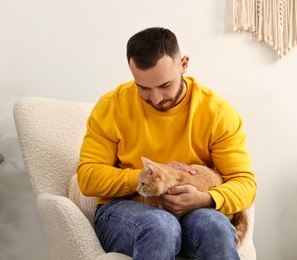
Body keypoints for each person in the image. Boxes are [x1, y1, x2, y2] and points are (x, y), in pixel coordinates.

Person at [77, 27, 257, 260]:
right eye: (143, 88)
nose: (156, 98)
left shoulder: (217, 113)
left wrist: (206, 199)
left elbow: (244, 184)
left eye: (164, 85)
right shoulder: (112, 106)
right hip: (124, 213)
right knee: (161, 226)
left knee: (215, 227)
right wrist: (152, 176)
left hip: (193, 210)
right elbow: (88, 177)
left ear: (183, 64)